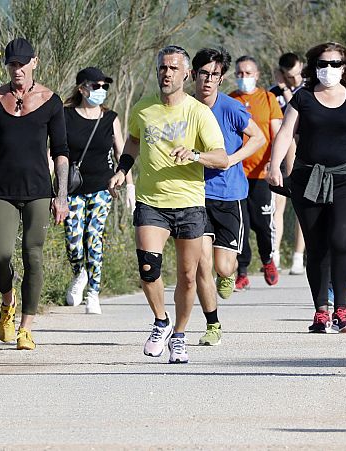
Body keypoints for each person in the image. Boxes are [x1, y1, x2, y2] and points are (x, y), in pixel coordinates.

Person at [108, 45, 227, 363]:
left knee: (188, 276)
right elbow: (133, 140)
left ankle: (179, 334)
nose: (167, 73)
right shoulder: (143, 108)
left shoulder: (198, 113)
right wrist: (122, 171)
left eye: (174, 68)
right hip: (151, 202)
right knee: (148, 268)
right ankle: (160, 320)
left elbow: (222, 158)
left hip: (189, 203)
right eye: (162, 67)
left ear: (186, 74)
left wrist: (195, 155)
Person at [266, 42, 346, 334]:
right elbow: (284, 134)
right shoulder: (302, 98)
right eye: (322, 63)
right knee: (316, 247)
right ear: (313, 66)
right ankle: (321, 311)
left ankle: (342, 310)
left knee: (342, 242)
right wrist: (274, 166)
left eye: (334, 64)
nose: (328, 69)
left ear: (345, 68)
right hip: (309, 179)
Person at [0, 38, 68, 350]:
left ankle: (26, 327)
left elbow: (61, 152)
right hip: (3, 189)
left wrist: (61, 195)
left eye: (23, 63)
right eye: (12, 64)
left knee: (33, 255)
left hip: (39, 189)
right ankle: (7, 302)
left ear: (34, 62)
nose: (17, 69)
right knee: (0, 255)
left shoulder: (51, 101)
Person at [192, 48, 265, 346]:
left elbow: (259, 138)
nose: (208, 80)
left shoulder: (231, 107)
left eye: (214, 75)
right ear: (193, 75)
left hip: (229, 193)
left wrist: (234, 159)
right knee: (201, 264)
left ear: (221, 79)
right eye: (203, 73)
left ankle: (229, 273)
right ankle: (213, 325)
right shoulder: (184, 107)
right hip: (195, 195)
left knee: (223, 267)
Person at [62, 66, 133, 314]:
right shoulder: (65, 116)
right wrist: (53, 188)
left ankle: (94, 291)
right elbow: (55, 154)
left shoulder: (110, 118)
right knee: (74, 241)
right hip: (72, 188)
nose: (101, 90)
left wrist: (129, 185)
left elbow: (123, 153)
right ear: (82, 88)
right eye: (96, 86)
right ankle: (79, 273)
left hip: (102, 187)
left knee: (93, 236)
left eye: (104, 86)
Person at [230, 55, 284, 290]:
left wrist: (274, 163)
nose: (244, 78)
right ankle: (242, 271)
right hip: (236, 173)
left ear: (257, 75)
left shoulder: (268, 99)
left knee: (262, 224)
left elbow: (277, 133)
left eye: (248, 73)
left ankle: (268, 260)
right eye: (240, 74)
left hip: (262, 174)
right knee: (241, 224)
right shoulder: (230, 100)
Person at [270, 52, 306, 276]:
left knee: (302, 208)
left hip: (302, 155)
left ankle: (298, 256)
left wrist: (286, 89)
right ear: (281, 74)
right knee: (277, 208)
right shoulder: (272, 95)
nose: (293, 80)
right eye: (288, 77)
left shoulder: (310, 91)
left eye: (296, 75)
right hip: (280, 157)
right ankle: (274, 255)